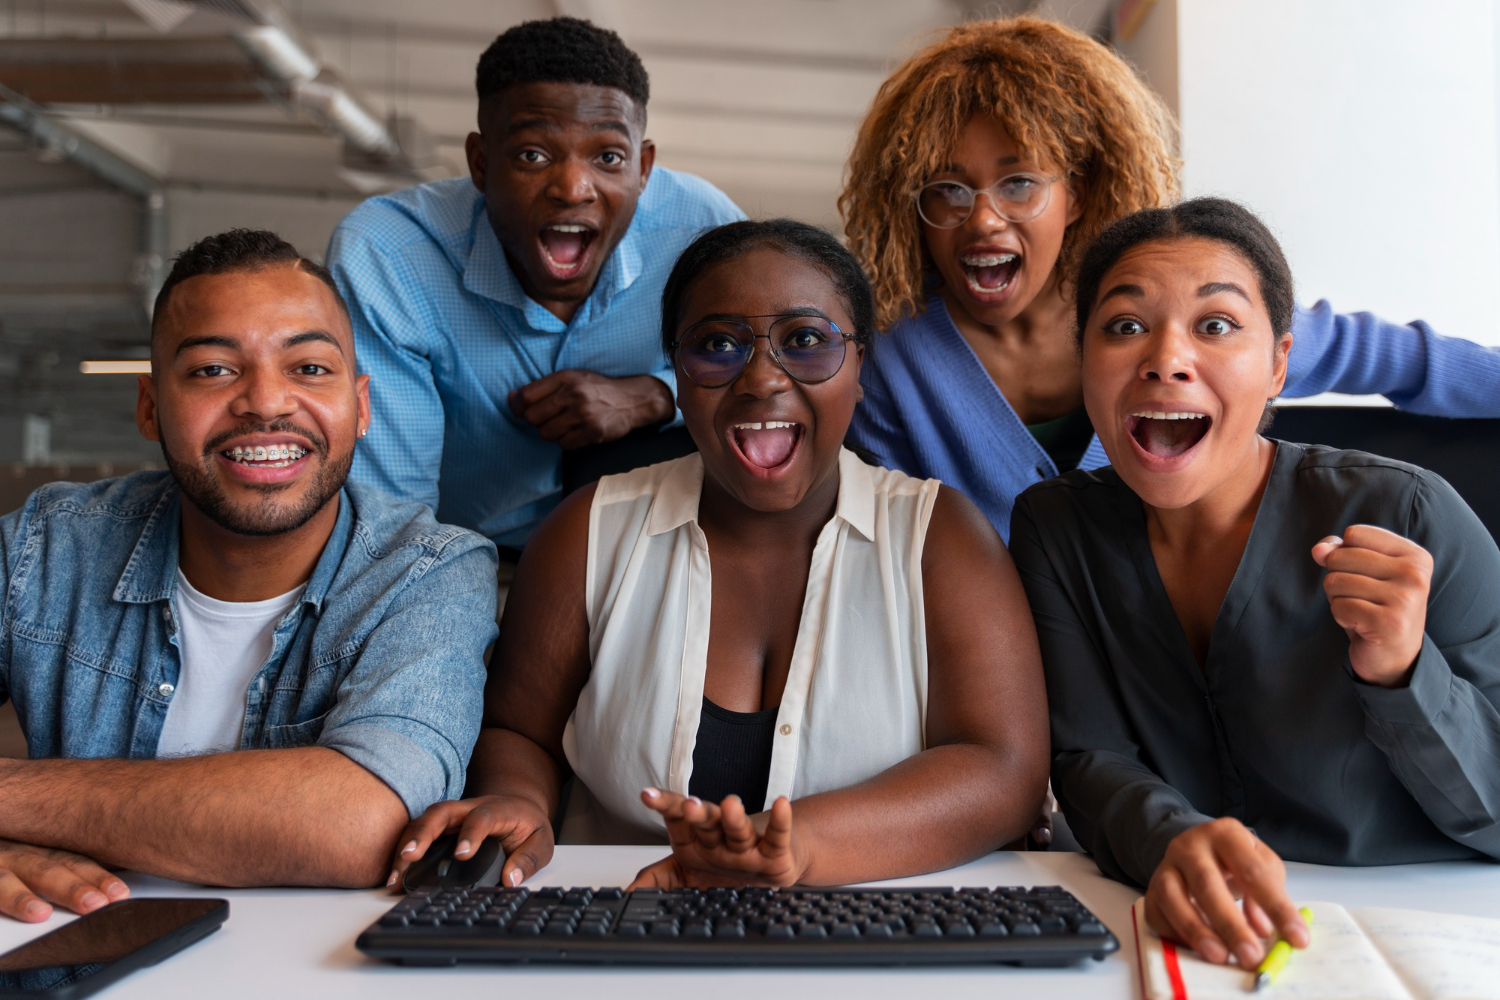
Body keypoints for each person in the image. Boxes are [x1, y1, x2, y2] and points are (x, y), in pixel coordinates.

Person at [386, 220, 1050, 890]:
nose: (762, 379)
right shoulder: (589, 532)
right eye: (718, 345)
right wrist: (520, 800)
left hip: (865, 945)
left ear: (861, 365)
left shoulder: (941, 537)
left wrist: (796, 846)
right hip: (627, 937)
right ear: (676, 372)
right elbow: (518, 732)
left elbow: (1004, 769)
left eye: (807, 341)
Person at [1008, 198, 1500, 971]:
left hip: (1425, 936)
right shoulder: (1056, 529)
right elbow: (1088, 757)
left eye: (1216, 325)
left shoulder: (1411, 511)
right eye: (1125, 326)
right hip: (1188, 941)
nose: (1165, 359)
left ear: (1278, 363)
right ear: (1085, 362)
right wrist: (1169, 841)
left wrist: (1405, 671)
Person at [841, 16, 1500, 543]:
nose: (982, 218)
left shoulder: (1184, 319)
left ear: (1079, 191)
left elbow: (1405, 361)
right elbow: (896, 547)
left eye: (1019, 183)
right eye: (948, 190)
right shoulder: (889, 363)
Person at [0, 230, 497, 923]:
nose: (266, 402)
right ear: (150, 406)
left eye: (310, 369)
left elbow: (358, 825)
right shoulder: (44, 547)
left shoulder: (428, 573)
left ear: (362, 407)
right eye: (212, 370)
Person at [328, 16, 745, 552]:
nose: (573, 188)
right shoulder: (390, 254)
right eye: (533, 155)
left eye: (608, 157)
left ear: (643, 168)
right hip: (458, 555)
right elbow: (391, 520)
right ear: (480, 163)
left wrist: (658, 396)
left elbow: (763, 381)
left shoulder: (702, 231)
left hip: (641, 555)